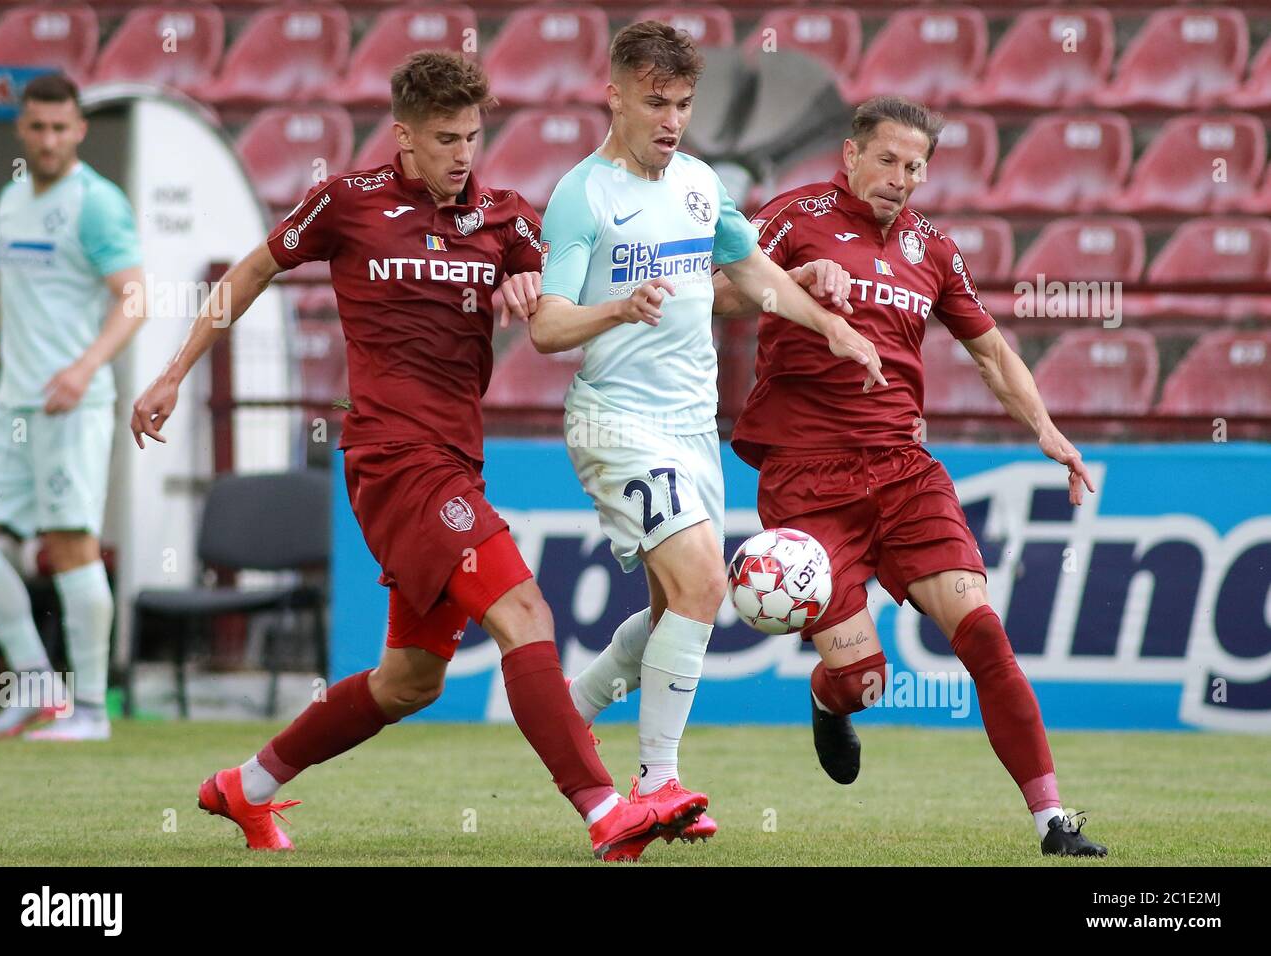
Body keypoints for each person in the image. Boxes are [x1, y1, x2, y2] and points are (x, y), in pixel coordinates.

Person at [131, 51, 705, 862]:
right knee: (525, 615)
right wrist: (172, 373)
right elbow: (255, 267)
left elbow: (549, 303)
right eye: (444, 138)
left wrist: (530, 286)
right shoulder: (348, 202)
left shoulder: (507, 216)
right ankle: (607, 809)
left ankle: (244, 788)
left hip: (455, 461)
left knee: (410, 681)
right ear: (402, 135)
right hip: (393, 459)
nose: (463, 153)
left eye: (472, 135)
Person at [712, 94, 1108, 857]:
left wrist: (1048, 430)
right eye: (887, 159)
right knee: (865, 681)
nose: (900, 176)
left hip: (904, 472)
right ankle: (830, 704)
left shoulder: (935, 250)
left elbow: (991, 352)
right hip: (806, 480)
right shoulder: (793, 217)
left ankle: (1053, 822)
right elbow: (718, 292)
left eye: (914, 165)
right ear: (852, 156)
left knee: (984, 635)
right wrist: (798, 284)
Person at [531, 22, 885, 851]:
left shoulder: (696, 183)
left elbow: (749, 272)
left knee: (671, 610)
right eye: (655, 101)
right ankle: (657, 784)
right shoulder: (582, 195)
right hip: (617, 417)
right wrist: (616, 306)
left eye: (684, 104)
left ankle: (568, 711)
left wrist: (828, 325)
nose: (672, 119)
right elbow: (548, 327)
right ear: (613, 94)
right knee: (701, 586)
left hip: (694, 426)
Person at [0, 73, 145, 742]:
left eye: (58, 128)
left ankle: (93, 711)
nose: (46, 140)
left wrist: (83, 368)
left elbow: (134, 297)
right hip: (12, 401)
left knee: (69, 547)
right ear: (21, 129)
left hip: (71, 406)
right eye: (35, 127)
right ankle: (36, 683)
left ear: (78, 130)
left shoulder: (96, 204)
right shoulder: (13, 201)